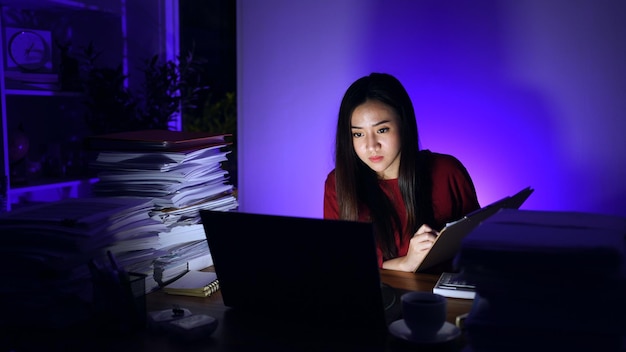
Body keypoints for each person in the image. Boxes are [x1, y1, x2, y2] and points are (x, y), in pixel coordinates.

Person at [323, 73, 480, 273]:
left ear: (403, 124)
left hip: (443, 300)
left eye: (382, 130)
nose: (371, 146)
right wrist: (407, 263)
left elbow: (479, 248)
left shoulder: (447, 171)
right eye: (358, 134)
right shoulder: (339, 184)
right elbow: (340, 264)